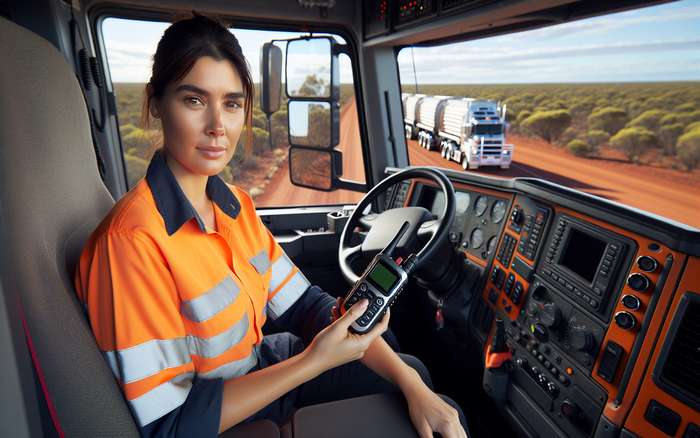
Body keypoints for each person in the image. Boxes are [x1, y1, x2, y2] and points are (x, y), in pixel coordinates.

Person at [74, 14, 468, 438]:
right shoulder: (131, 242)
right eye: (193, 100)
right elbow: (170, 425)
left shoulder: (234, 205)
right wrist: (312, 363)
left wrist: (412, 388)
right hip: (225, 413)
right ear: (155, 103)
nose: (216, 127)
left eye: (231, 103)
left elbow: (305, 306)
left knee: (416, 376)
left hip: (264, 367)